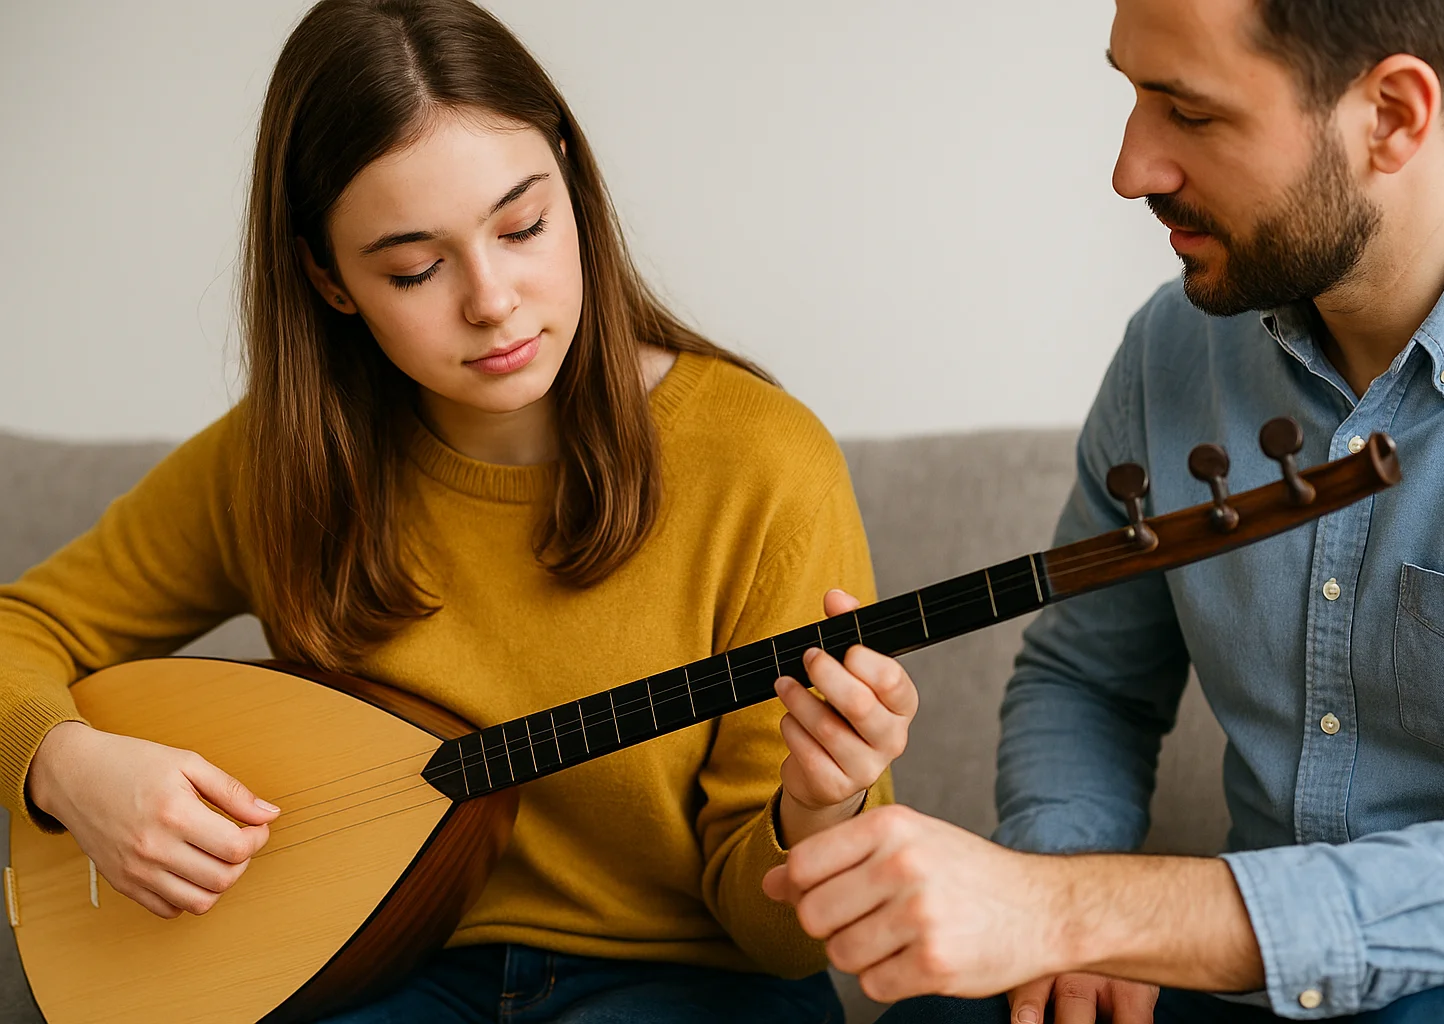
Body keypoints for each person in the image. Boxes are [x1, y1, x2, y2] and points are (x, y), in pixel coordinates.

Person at [0, 1, 919, 1021]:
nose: (492, 299)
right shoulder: (279, 460)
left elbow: (785, 945)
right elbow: (17, 631)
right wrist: (64, 764)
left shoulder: (763, 464)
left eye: (523, 225)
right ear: (329, 278)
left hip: (689, 986)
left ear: (571, 179)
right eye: (415, 268)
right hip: (382, 979)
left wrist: (820, 804)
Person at [764, 0, 1444, 1021]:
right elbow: (1089, 677)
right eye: (1132, 94)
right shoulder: (1176, 349)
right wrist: (1065, 892)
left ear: (1392, 115)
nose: (1131, 168)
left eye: (1189, 111)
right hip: (1231, 980)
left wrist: (1097, 911)